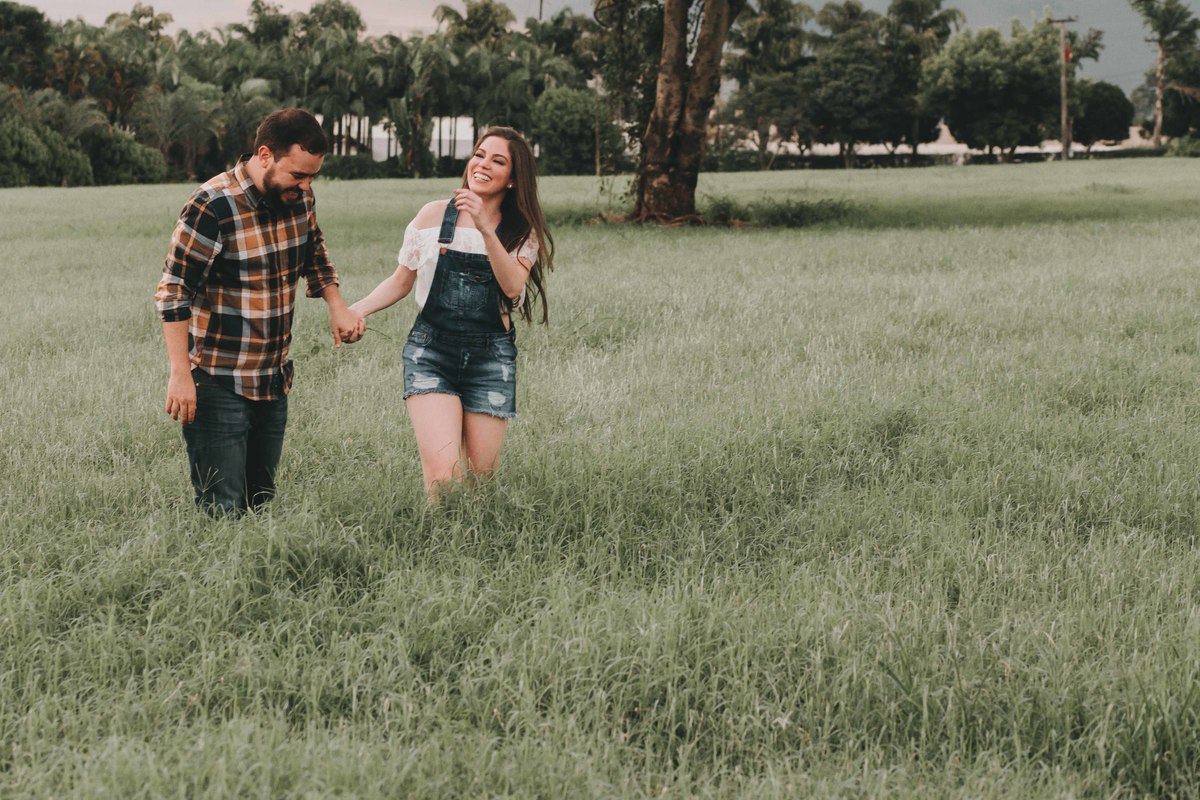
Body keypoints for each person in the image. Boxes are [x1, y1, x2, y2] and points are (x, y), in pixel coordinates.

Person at [155, 107, 362, 516]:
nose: (304, 187)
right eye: (298, 175)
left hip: (272, 381)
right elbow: (174, 291)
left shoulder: (297, 198)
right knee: (222, 509)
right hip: (217, 383)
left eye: (311, 178)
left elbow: (314, 252)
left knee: (260, 504)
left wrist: (337, 306)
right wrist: (181, 375)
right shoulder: (211, 206)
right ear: (264, 155)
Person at [348, 126, 554, 500]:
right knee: (444, 478)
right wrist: (354, 310)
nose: (483, 164)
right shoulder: (432, 215)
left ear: (512, 179)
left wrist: (483, 227)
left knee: (479, 483)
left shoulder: (522, 231)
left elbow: (512, 287)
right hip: (431, 352)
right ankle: (430, 548)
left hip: (491, 358)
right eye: (479, 154)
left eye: (498, 160)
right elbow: (400, 281)